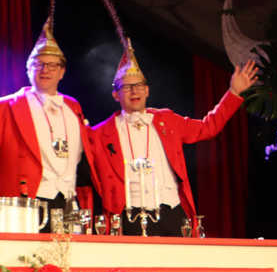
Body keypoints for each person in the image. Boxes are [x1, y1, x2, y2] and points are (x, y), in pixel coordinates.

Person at [89, 39, 257, 236]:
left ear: (147, 90)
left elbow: (207, 127)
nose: (134, 91)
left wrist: (233, 92)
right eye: (126, 87)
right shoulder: (100, 134)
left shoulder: (167, 121)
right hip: (128, 217)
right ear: (116, 95)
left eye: (139, 85)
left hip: (171, 214)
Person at [0, 18, 96, 225]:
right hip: (23, 202)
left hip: (68, 201)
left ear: (62, 72)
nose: (45, 70)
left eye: (52, 65)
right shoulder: (6, 107)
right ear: (28, 69)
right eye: (38, 64)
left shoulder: (73, 108)